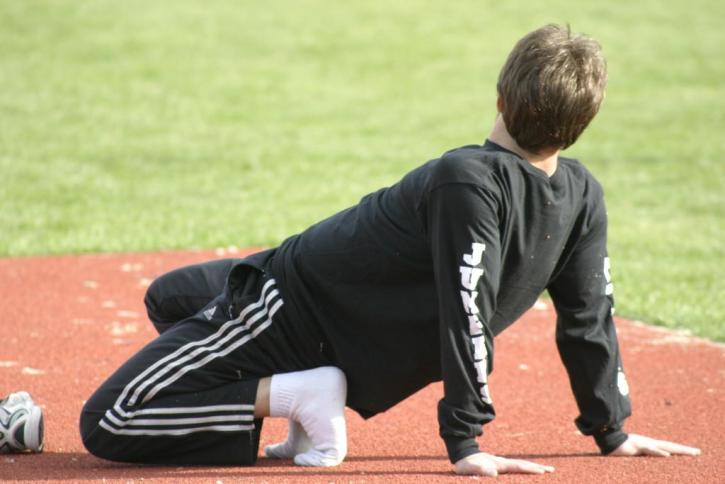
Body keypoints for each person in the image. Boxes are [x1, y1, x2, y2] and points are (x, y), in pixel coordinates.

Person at [79, 24, 700, 476]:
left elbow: (467, 309)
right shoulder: (582, 191)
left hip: (290, 304)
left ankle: (302, 396)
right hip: (313, 291)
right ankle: (294, 401)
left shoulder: (469, 177)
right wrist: (611, 429)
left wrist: (466, 443)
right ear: (581, 124)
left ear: (500, 99)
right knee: (170, 295)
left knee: (111, 420)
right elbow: (589, 318)